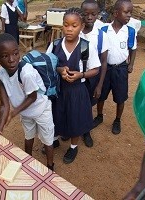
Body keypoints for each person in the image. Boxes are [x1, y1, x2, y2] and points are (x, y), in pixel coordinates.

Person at [46, 7, 100, 164]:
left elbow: (95, 69)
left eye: (74, 25)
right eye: (66, 25)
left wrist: (81, 75)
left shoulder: (86, 47)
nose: (69, 29)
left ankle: (73, 147)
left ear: (82, 26)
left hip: (77, 91)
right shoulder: (55, 45)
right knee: (56, 115)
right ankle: (55, 139)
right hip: (58, 90)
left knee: (75, 119)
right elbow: (48, 65)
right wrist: (59, 69)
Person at [0, 33, 55, 170]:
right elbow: (4, 105)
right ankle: (27, 162)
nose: (11, 60)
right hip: (25, 112)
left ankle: (50, 166)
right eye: (5, 56)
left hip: (41, 109)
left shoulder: (26, 73)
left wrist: (14, 113)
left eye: (15, 54)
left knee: (47, 140)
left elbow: (32, 97)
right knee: (28, 136)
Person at [92, 0, 137, 135]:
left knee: (120, 96)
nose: (129, 15)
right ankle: (99, 115)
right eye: (126, 12)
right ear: (116, 13)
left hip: (121, 69)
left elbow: (133, 48)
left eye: (131, 12)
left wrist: (131, 64)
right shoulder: (105, 30)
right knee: (101, 95)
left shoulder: (130, 31)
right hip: (105, 69)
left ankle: (117, 120)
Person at [80, 0, 109, 147]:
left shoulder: (100, 35)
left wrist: (99, 85)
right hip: (75, 76)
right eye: (86, 14)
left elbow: (104, 62)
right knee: (74, 103)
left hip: (92, 78)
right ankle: (72, 129)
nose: (89, 17)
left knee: (87, 105)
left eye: (93, 14)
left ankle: (86, 131)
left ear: (98, 15)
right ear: (81, 14)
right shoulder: (75, 31)